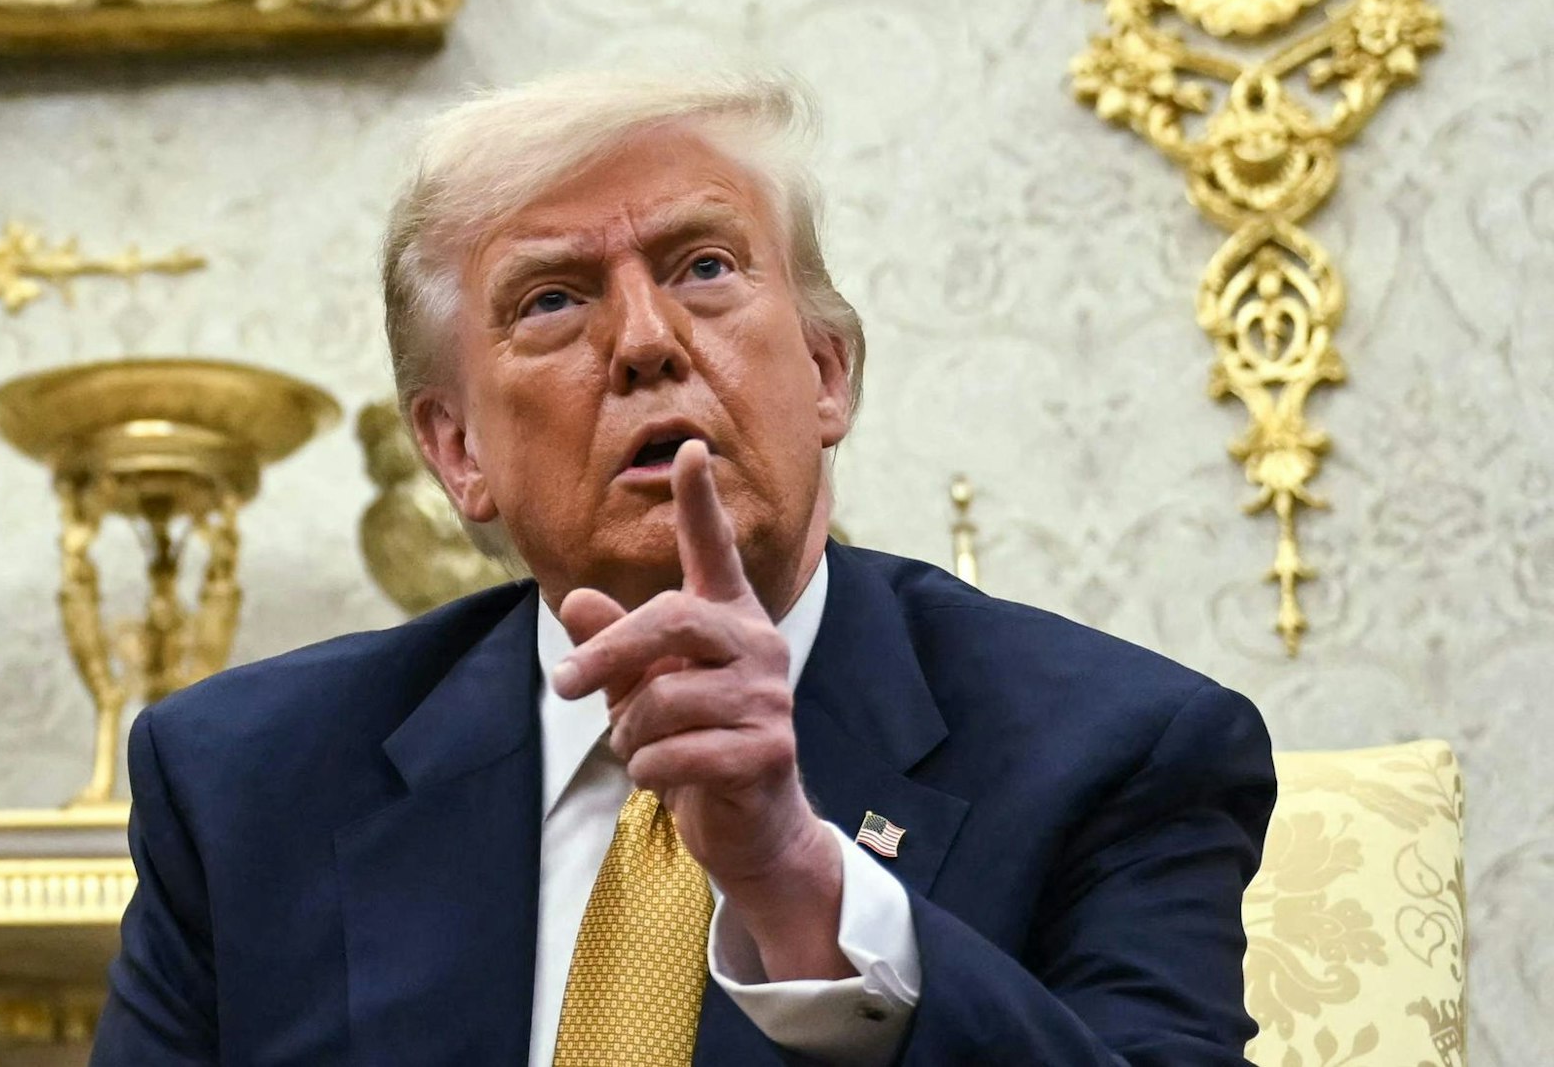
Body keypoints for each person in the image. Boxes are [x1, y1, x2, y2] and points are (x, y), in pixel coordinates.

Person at [90, 72, 1276, 1066]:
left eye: (703, 267)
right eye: (552, 300)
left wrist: (805, 887)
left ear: (825, 373)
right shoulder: (243, 785)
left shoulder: (1120, 751)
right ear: (456, 451)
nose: (647, 342)